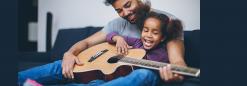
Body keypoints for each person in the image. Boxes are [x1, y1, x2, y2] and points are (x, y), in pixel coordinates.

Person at [18, 0, 187, 85]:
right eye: (119, 10)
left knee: (145, 75)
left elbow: (177, 61)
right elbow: (85, 43)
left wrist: (176, 75)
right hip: (100, 74)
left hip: (123, 79)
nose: (125, 13)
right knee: (62, 64)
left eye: (127, 5)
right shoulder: (118, 24)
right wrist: (69, 53)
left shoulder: (166, 22)